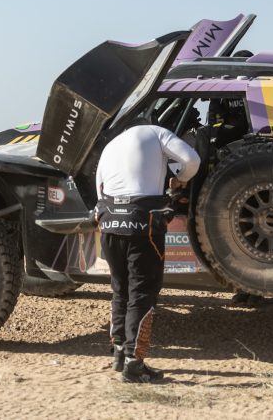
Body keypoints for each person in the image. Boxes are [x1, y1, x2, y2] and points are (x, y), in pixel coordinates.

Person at [94, 124, 200, 383]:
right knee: (142, 293)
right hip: (142, 225)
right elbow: (192, 159)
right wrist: (181, 180)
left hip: (108, 222)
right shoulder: (157, 133)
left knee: (121, 289)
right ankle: (134, 364)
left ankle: (119, 354)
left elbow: (100, 188)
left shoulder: (112, 144)